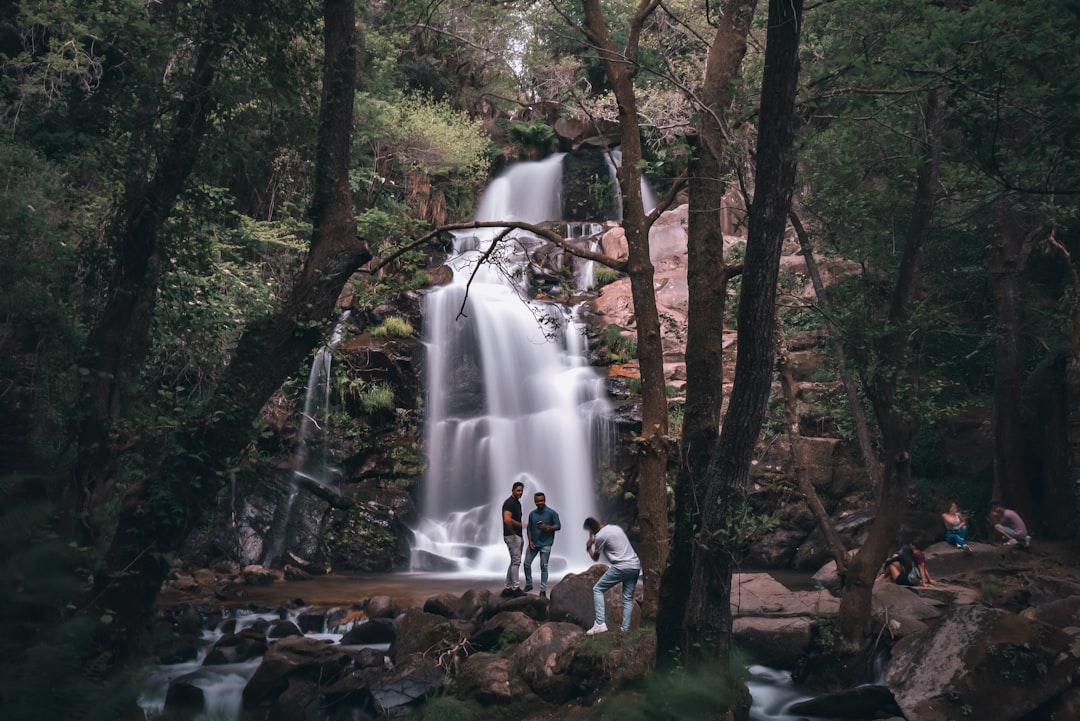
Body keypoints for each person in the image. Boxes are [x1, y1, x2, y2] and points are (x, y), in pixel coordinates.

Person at [583, 516, 641, 634]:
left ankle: (600, 624)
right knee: (628, 598)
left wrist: (589, 547)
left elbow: (595, 558)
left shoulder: (599, 537)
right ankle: (625, 630)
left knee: (597, 589)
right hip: (635, 566)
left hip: (622, 567)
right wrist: (593, 535)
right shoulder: (615, 528)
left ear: (591, 530)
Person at [523, 492, 561, 598]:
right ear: (534, 501)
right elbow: (529, 528)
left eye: (541, 500)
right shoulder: (532, 514)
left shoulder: (552, 513)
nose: (539, 503)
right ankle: (529, 584)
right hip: (534, 543)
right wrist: (529, 541)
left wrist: (546, 527)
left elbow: (558, 526)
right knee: (526, 564)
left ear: (545, 500)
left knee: (543, 567)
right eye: (537, 501)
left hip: (546, 544)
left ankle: (543, 590)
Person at [500, 481, 526, 597]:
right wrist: (513, 533)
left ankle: (508, 587)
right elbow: (507, 519)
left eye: (521, 491)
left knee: (514, 561)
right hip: (512, 536)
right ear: (513, 490)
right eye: (518, 490)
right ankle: (515, 588)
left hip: (517, 535)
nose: (520, 493)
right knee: (516, 561)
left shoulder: (517, 503)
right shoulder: (509, 503)